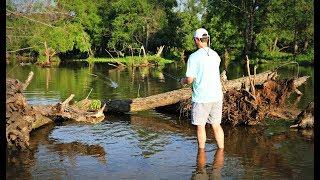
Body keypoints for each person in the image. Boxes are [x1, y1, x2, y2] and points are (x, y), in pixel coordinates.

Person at [180, 28, 224, 150]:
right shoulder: (215, 55)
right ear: (207, 39)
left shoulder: (193, 57)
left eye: (195, 39)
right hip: (217, 96)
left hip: (201, 98)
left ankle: (201, 154)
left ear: (197, 39)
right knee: (216, 125)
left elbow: (189, 79)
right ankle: (221, 152)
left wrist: (182, 81)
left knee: (200, 126)